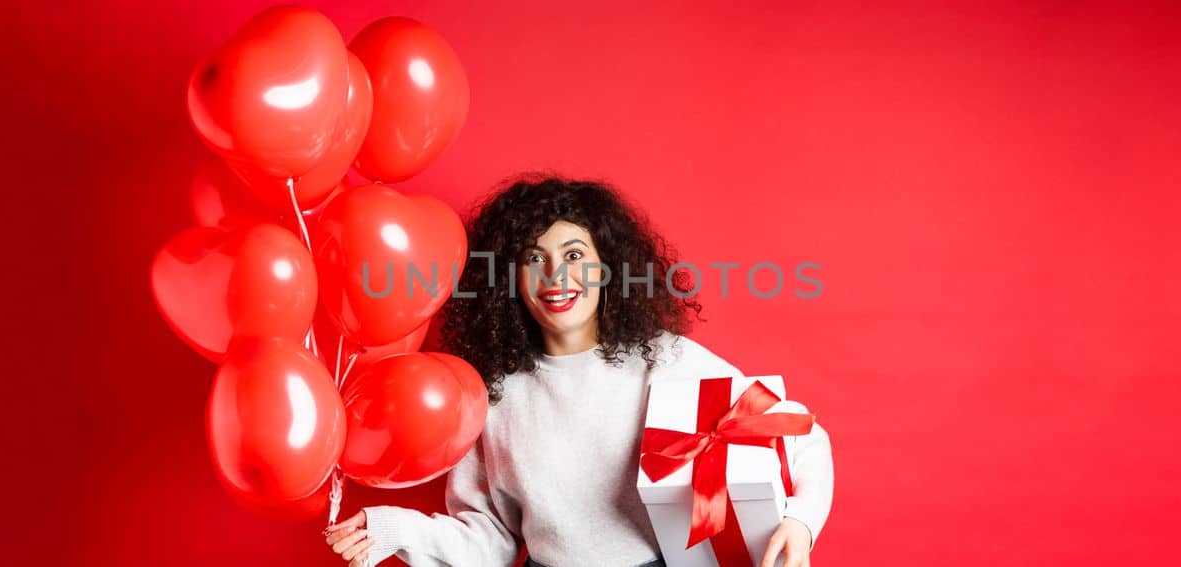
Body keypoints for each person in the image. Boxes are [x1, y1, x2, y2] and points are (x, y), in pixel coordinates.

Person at [325, 173, 834, 567]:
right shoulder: (492, 392)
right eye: (534, 258)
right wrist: (397, 531)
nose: (557, 276)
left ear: (606, 268)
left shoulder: (664, 360)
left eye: (574, 254)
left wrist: (800, 523)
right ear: (510, 278)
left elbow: (801, 438)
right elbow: (492, 541)